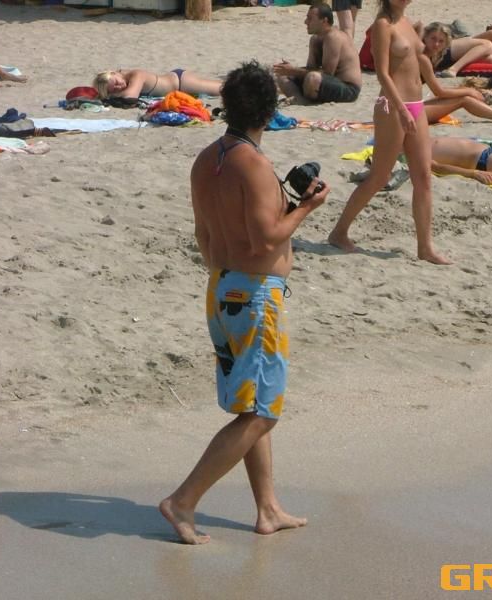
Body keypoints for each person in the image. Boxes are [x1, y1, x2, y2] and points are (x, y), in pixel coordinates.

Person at [159, 61, 328, 545]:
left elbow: (205, 233)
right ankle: (183, 500)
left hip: (221, 288)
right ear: (270, 111)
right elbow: (265, 239)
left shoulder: (206, 158)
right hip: (254, 295)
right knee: (264, 411)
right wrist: (306, 208)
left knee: (253, 405)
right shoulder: (252, 163)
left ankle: (268, 508)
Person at [328, 0, 450, 264]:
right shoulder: (382, 25)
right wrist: (402, 110)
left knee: (423, 177)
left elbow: (416, 62)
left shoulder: (407, 22)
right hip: (392, 106)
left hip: (416, 104)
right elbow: (382, 74)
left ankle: (425, 247)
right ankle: (339, 232)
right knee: (380, 176)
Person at [273, 3, 362, 103]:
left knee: (312, 78)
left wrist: (294, 71)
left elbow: (328, 73)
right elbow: (311, 68)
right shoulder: (315, 39)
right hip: (325, 82)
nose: (306, 22)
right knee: (283, 76)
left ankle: (304, 99)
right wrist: (289, 70)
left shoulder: (333, 37)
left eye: (310, 19)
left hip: (348, 88)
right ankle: (300, 99)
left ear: (324, 21)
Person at [93, 68, 222, 99]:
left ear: (115, 73)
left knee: (223, 89)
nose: (119, 87)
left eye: (116, 82)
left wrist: (112, 95)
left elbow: (130, 97)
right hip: (176, 83)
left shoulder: (137, 75)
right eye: (114, 89)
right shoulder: (126, 78)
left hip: (181, 82)